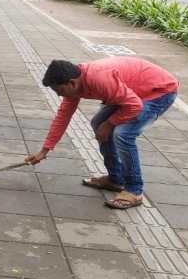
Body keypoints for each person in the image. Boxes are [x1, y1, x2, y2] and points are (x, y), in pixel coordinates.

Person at [26, 58, 179, 210]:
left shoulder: (99, 79)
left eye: (60, 91)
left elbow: (134, 106)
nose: (60, 95)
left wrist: (110, 123)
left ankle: (134, 190)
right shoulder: (75, 84)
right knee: (98, 124)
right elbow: (63, 116)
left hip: (159, 91)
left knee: (123, 134)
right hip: (132, 91)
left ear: (71, 83)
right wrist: (45, 150)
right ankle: (115, 179)